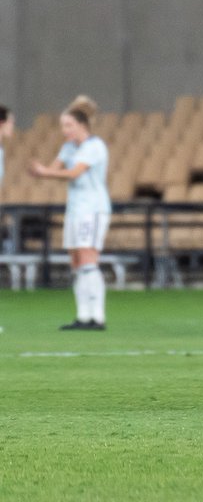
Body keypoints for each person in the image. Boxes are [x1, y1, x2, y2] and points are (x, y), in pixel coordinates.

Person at [28, 96, 111, 330]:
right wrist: (41, 171)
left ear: (82, 125)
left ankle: (98, 316)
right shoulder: (68, 147)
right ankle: (83, 316)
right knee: (76, 261)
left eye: (68, 125)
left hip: (93, 209)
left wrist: (45, 172)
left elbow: (74, 173)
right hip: (75, 209)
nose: (65, 131)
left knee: (87, 258)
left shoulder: (94, 146)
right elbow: (54, 169)